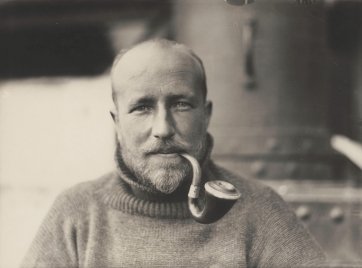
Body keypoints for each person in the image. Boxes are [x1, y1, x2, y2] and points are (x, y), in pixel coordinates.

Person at [21, 39, 326, 268]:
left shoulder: (260, 210)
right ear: (117, 123)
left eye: (181, 105)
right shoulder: (75, 212)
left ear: (205, 115)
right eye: (142, 108)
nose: (163, 129)